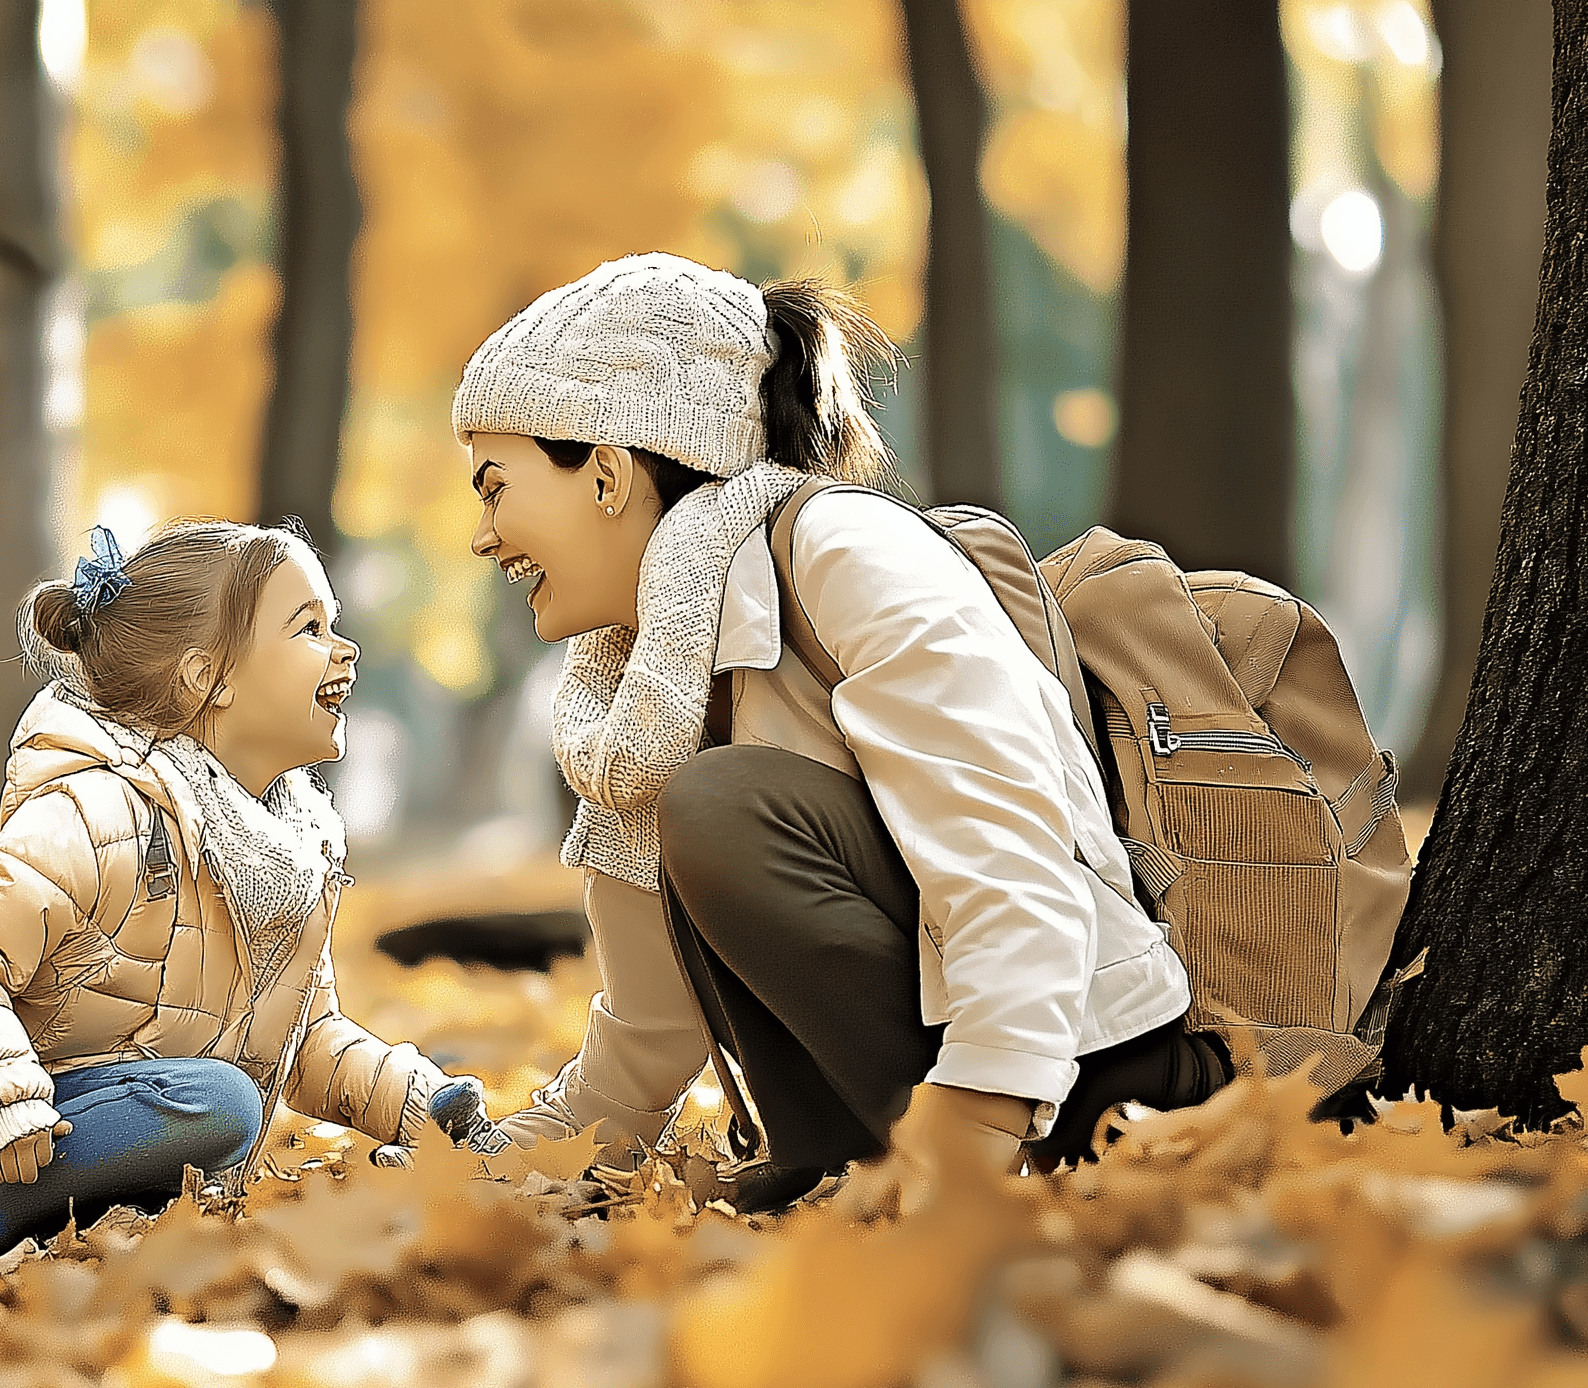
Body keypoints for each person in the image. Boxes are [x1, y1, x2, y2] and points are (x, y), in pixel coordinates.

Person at [453, 252, 1225, 1210]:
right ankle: (834, 1168)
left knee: (721, 803)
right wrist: (478, 1171)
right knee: (710, 802)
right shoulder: (648, 677)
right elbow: (643, 1045)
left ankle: (905, 1164)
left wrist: (976, 1127)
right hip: (947, 1091)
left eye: (494, 487)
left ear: (606, 474)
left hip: (1081, 1072)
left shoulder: (846, 556)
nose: (482, 537)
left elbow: (1009, 852)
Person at [0, 519, 487, 1285]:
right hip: (16, 1135)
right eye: (308, 627)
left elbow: (306, 1039)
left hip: (159, 1137)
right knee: (226, 1105)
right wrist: (1, 1091)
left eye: (335, 625)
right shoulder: (100, 813)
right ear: (210, 678)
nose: (345, 650)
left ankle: (93, 1223)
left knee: (225, 1109)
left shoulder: (290, 852)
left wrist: (420, 1102)